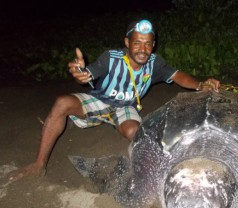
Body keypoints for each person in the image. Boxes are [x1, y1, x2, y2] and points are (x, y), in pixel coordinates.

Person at [9, 19, 220, 181]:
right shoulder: (111, 57)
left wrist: (200, 85)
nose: (142, 49)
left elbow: (178, 76)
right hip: (99, 101)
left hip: (125, 109)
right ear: (127, 42)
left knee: (135, 133)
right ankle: (39, 164)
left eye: (148, 44)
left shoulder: (155, 63)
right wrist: (81, 73)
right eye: (137, 42)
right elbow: (89, 73)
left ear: (153, 45)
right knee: (62, 103)